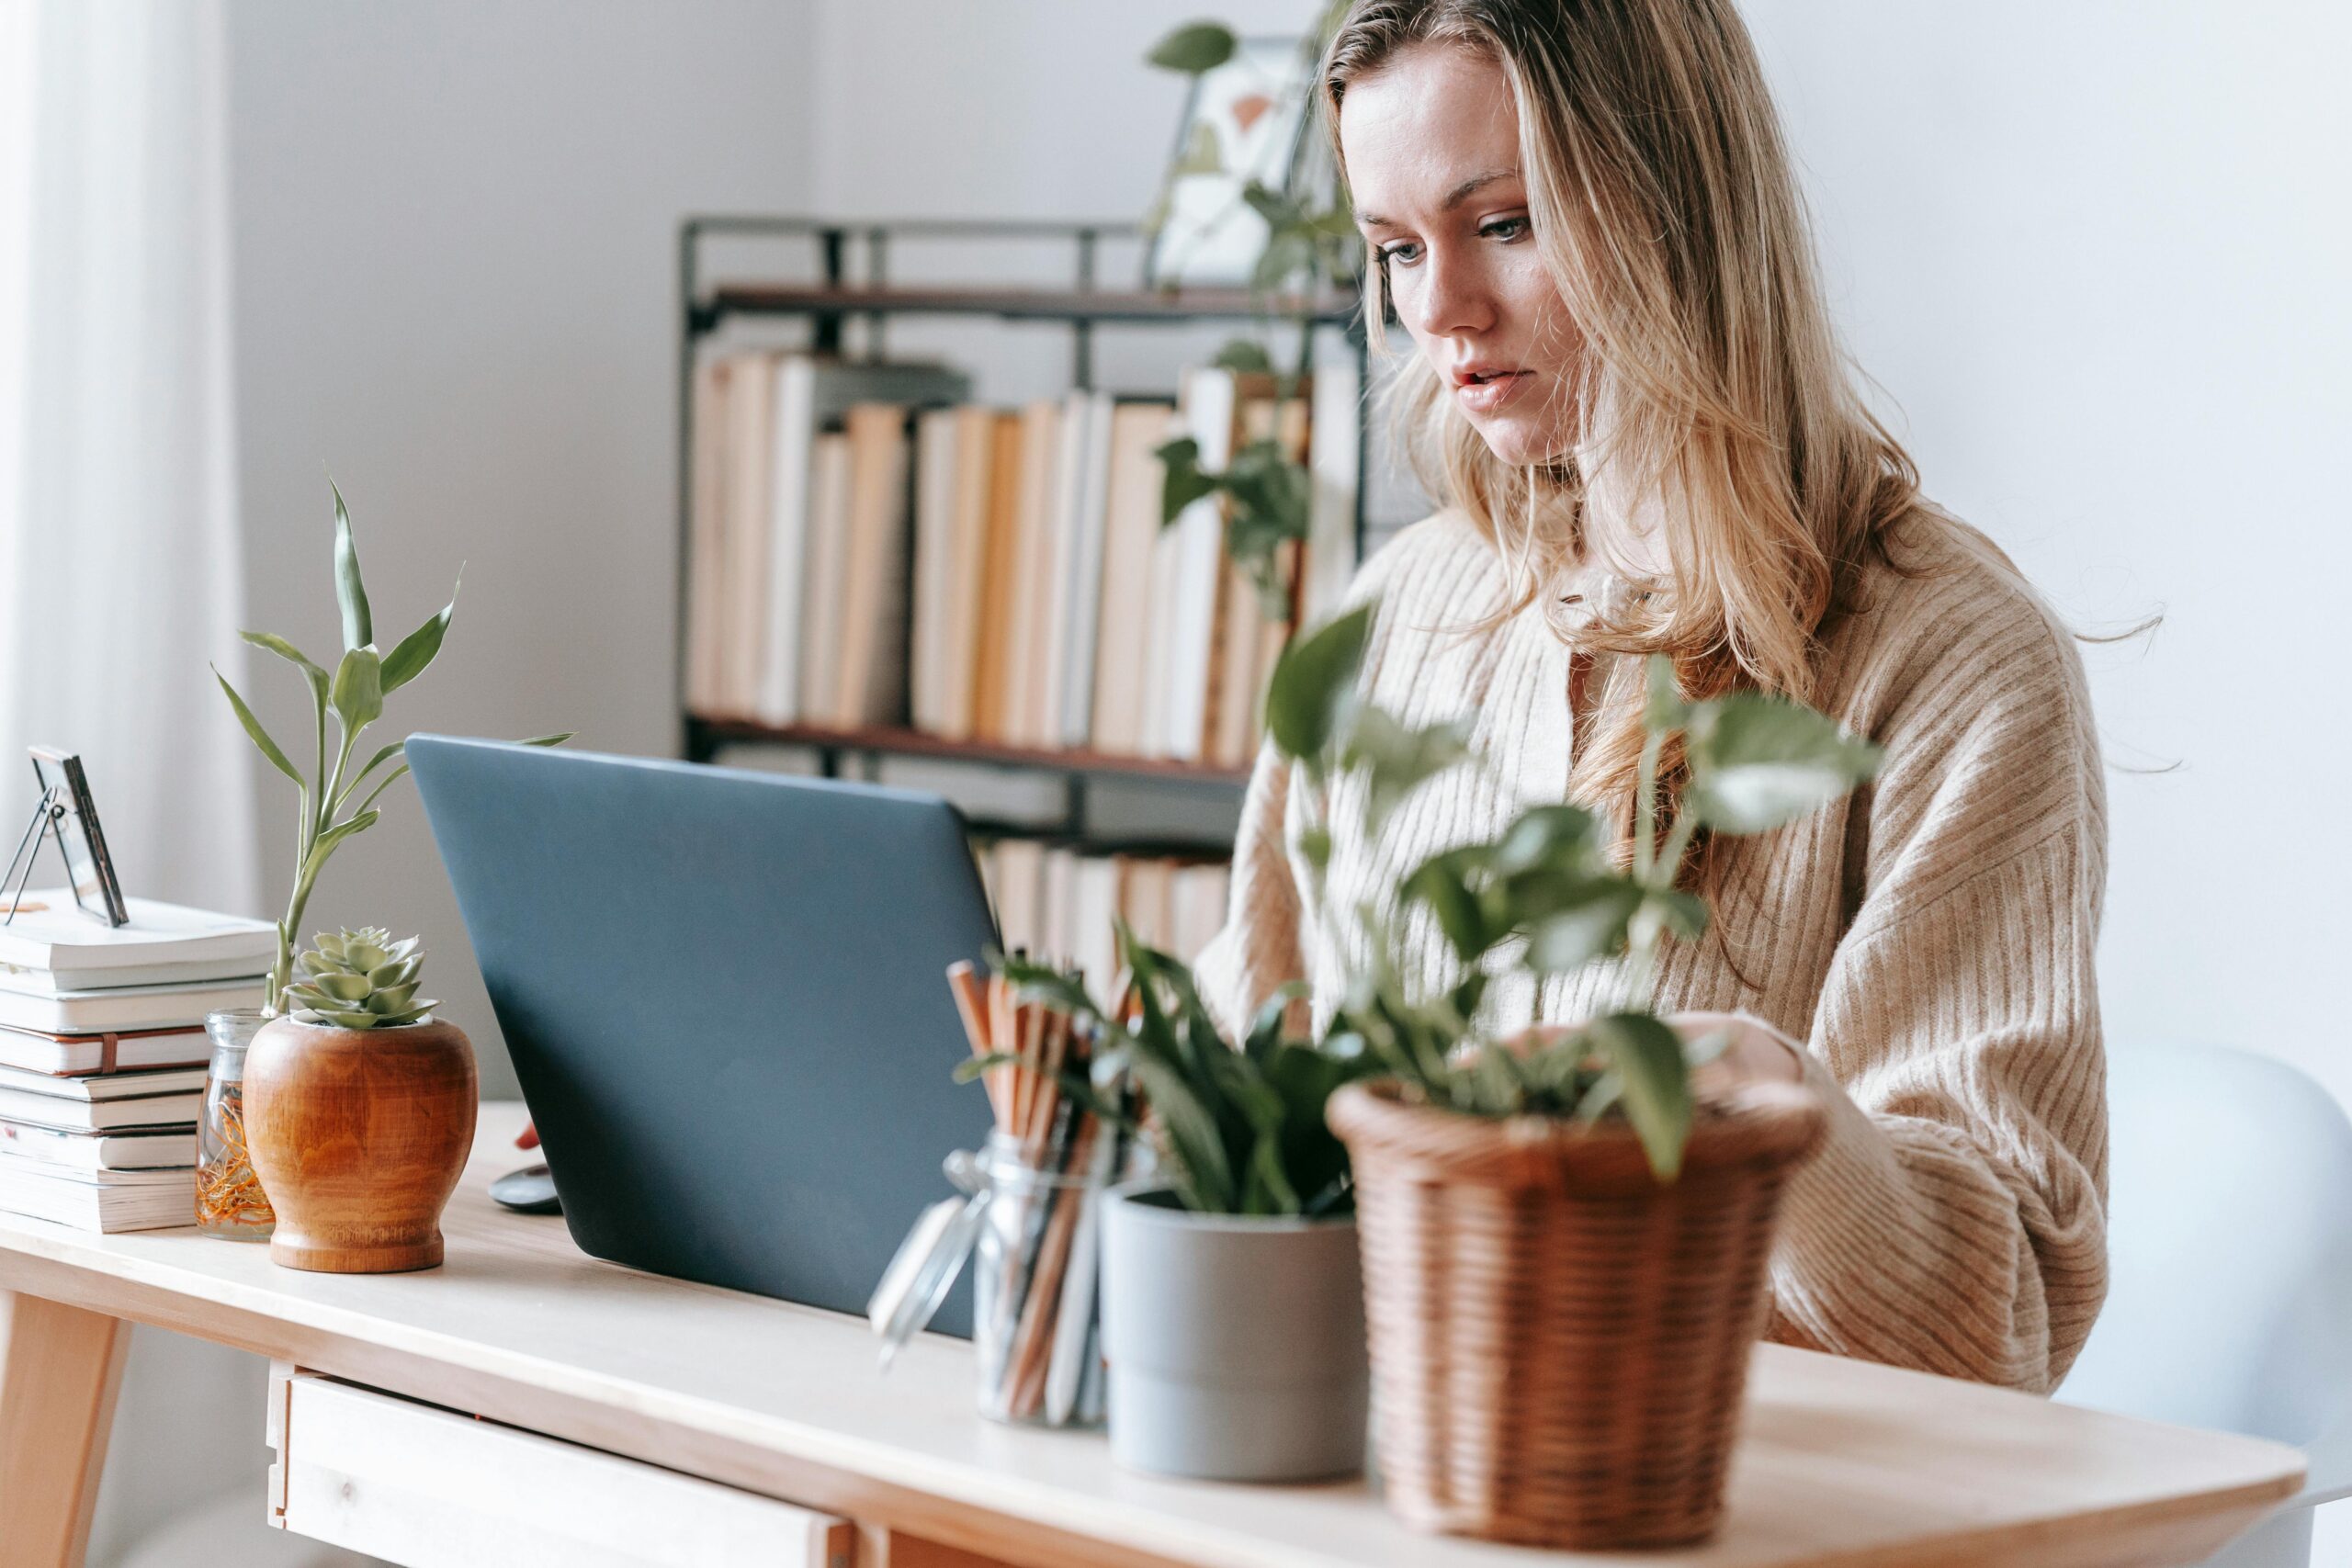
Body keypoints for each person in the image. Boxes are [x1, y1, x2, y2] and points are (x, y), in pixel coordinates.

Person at [1193, 0, 2107, 1394]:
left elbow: (2003, 1320)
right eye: (1393, 251)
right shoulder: (1398, 613)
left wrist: (1775, 1108)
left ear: (1674, 200)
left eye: (1503, 223)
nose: (1435, 311)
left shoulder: (1952, 667)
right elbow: (1251, 1079)